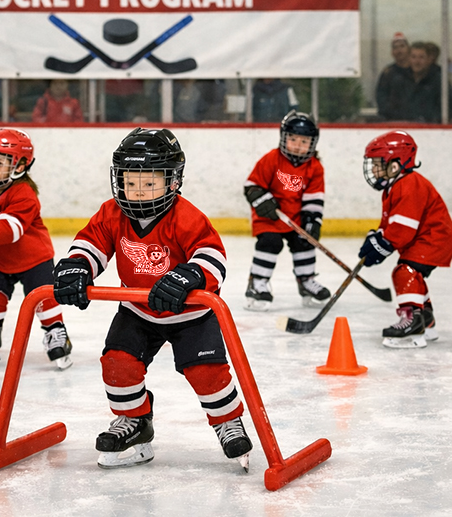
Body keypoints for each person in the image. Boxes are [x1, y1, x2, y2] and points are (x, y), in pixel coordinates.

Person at [52, 128, 252, 470]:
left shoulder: (186, 216)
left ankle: (227, 421)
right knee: (118, 363)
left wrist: (189, 275)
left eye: (149, 183)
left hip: (189, 313)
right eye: (131, 183)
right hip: (137, 310)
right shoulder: (112, 213)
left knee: (207, 372)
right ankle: (135, 423)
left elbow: (212, 255)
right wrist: (78, 266)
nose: (138, 192)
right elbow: (93, 242)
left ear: (172, 181)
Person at [0, 128, 72, 369]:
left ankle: (55, 332)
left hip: (34, 259)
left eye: (0, 163)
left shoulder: (24, 193)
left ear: (20, 166)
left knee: (43, 299)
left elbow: (12, 229)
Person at [358, 130, 452, 348]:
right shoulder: (393, 187)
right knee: (413, 274)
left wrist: (383, 245)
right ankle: (426, 321)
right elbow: (390, 226)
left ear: (395, 164)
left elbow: (402, 229)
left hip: (433, 239)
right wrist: (376, 239)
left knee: (405, 272)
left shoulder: (409, 184)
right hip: (426, 239)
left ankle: (412, 321)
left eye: (377, 163)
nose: (373, 168)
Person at [243, 111, 330, 311]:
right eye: (292, 139)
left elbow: (314, 198)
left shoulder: (315, 167)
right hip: (270, 217)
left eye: (304, 140)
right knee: (270, 242)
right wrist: (263, 200)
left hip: (295, 219)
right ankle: (258, 283)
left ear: (313, 143)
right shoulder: (272, 159)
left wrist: (312, 221)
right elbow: (251, 186)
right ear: (283, 137)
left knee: (304, 241)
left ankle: (306, 281)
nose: (298, 144)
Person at [375, 32, 411, 119]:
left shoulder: (416, 71)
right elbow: (381, 96)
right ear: (392, 52)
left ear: (409, 49)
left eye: (402, 46)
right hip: (391, 119)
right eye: (395, 47)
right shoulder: (387, 73)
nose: (399, 51)